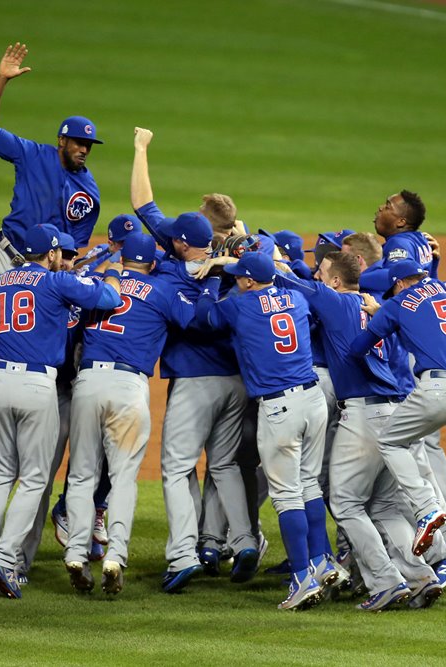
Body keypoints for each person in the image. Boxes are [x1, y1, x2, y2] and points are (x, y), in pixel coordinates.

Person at [275, 251, 442, 611]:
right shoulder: (377, 306)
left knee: (346, 503)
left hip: (366, 416)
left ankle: (385, 582)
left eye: (321, 273)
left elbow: (286, 280)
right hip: (397, 410)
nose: (317, 279)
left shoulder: (335, 303)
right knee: (383, 505)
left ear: (335, 280)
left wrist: (267, 255)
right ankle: (420, 576)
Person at [131, 127, 258, 593]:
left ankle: (183, 555)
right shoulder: (242, 265)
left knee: (177, 467)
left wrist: (141, 149)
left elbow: (143, 204)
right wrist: (237, 238)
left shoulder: (172, 266)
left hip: (196, 382)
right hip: (237, 383)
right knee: (225, 466)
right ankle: (243, 541)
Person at [0, 224, 121, 599]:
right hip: (37, 386)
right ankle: (4, 558)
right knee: (34, 478)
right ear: (51, 254)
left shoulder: (0, 282)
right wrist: (110, 273)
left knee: (1, 472)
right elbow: (108, 299)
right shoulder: (56, 282)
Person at [63, 232, 199, 596]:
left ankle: (76, 551)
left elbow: (71, 329)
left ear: (123, 261)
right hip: (128, 388)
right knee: (123, 477)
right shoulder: (160, 290)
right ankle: (115, 556)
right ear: (152, 264)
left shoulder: (96, 283)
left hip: (88, 382)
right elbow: (194, 319)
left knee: (80, 475)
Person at [196, 252, 332, 611]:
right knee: (309, 485)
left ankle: (302, 579)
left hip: (280, 408)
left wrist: (212, 277)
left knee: (287, 496)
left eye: (241, 276)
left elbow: (204, 316)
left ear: (250, 281)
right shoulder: (297, 297)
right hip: (314, 398)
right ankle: (322, 563)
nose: (238, 280)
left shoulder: (239, 306)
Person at [350, 260, 446, 559]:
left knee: (391, 441)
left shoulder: (397, 302)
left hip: (438, 389)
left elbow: (359, 346)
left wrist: (381, 316)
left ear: (399, 283)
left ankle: (427, 509)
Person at [0, 43, 104, 309]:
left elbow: (72, 251)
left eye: (88, 145)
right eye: (78, 142)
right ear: (61, 140)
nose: (84, 149)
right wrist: (2, 80)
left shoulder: (88, 194)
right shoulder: (31, 154)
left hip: (32, 275)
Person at [357, 191, 435, 295]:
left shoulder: (399, 243)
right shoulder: (421, 240)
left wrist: (352, 280)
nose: (381, 208)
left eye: (388, 207)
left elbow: (396, 276)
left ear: (401, 222)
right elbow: (433, 281)